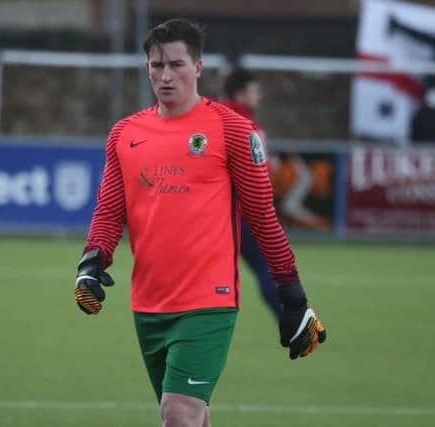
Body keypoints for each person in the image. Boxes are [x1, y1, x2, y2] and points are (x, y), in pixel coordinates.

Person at [74, 18, 326, 427]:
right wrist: (91, 262)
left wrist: (293, 295)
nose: (165, 75)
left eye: (176, 65)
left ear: (198, 68)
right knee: (192, 415)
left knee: (177, 414)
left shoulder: (233, 130)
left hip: (209, 302)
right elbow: (108, 210)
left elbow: (263, 217)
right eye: (157, 65)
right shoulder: (124, 133)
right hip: (148, 302)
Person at [219, 67, 282, 319]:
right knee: (267, 267)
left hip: (210, 213)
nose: (259, 96)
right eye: (255, 91)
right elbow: (258, 174)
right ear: (240, 94)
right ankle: (291, 321)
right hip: (243, 213)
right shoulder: (249, 126)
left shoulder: (206, 117)